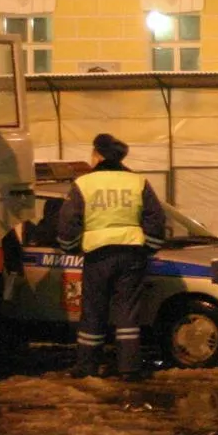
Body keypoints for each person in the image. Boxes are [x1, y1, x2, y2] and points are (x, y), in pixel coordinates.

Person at [57, 133, 165, 380]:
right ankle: (129, 368)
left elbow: (68, 223)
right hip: (132, 255)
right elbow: (156, 220)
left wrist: (71, 247)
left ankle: (87, 367)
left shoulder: (84, 184)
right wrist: (147, 247)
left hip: (98, 256)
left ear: (99, 155)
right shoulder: (138, 182)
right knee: (128, 313)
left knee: (93, 311)